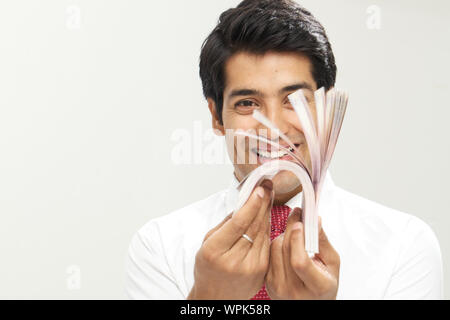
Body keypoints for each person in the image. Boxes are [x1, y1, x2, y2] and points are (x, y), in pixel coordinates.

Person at [125, 0, 443, 300]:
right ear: (216, 116)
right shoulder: (159, 247)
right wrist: (208, 300)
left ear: (327, 110)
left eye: (296, 101)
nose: (273, 128)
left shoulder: (403, 246)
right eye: (248, 103)